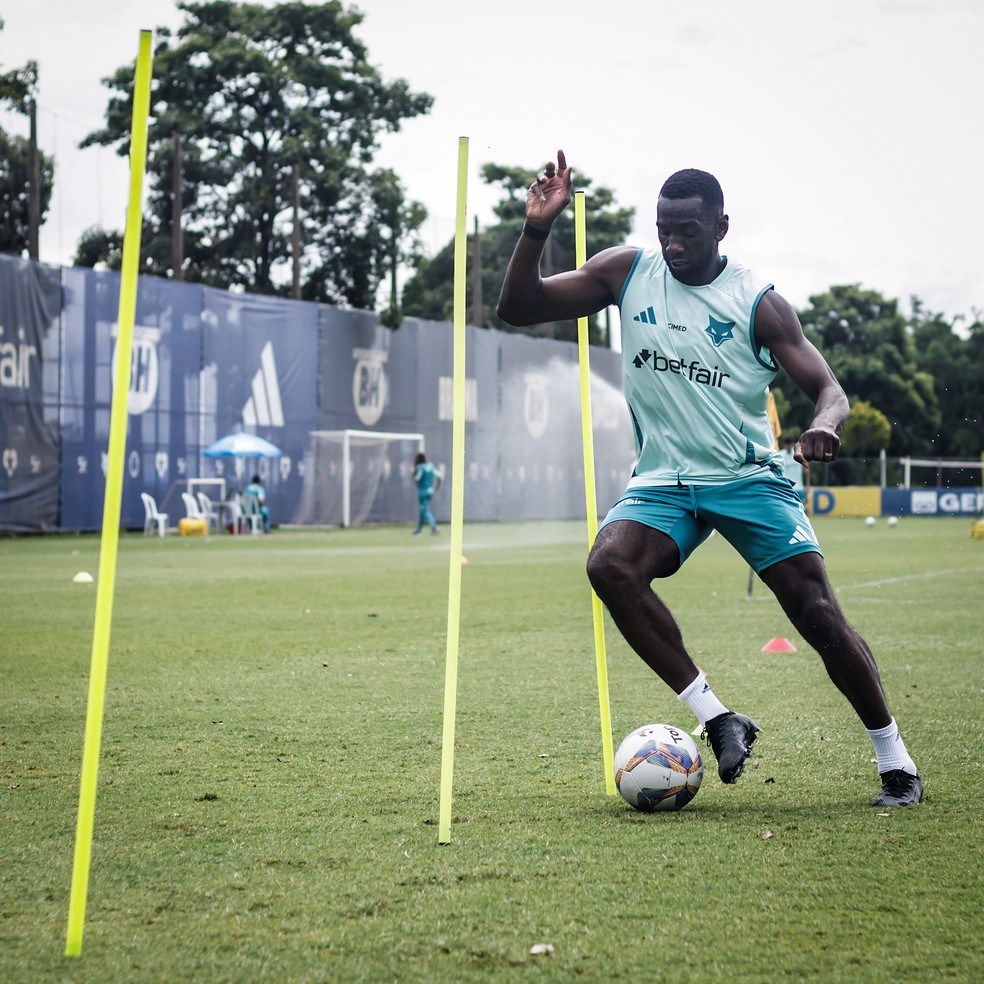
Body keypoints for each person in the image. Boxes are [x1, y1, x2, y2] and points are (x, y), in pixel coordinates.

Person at [497, 150, 922, 807]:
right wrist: (537, 228)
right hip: (665, 479)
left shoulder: (759, 304)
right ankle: (720, 717)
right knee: (609, 565)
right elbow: (519, 307)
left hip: (747, 477)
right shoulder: (626, 272)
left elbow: (828, 390)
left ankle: (896, 762)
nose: (671, 242)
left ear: (721, 227)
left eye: (687, 231)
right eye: (663, 227)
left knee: (817, 615)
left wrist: (827, 426)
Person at [412, 452, 440, 535]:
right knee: (422, 510)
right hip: (430, 491)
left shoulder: (420, 467)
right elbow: (439, 476)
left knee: (424, 511)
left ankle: (434, 527)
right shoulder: (431, 466)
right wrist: (438, 486)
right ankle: (419, 530)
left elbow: (417, 478)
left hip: (422, 492)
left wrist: (413, 475)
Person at [779, 435, 811, 505]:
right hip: (787, 488)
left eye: (790, 444)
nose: (788, 446)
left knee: (801, 509)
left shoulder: (798, 454)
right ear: (784, 445)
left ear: (793, 444)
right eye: (787, 445)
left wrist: (807, 484)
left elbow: (806, 469)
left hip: (799, 487)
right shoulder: (780, 455)